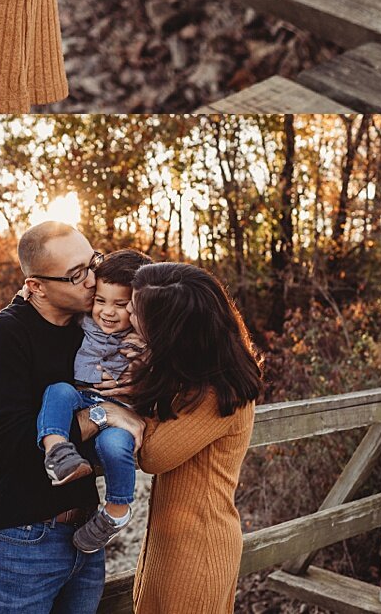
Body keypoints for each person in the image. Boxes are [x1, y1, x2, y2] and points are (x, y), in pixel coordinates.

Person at [80, 263, 262, 614]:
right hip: (171, 543)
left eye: (136, 309)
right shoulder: (192, 378)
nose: (127, 313)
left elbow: (153, 455)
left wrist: (118, 412)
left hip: (199, 551)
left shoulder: (216, 393)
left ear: (168, 330)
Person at [0, 222, 110, 614]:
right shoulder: (3, 335)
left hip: (86, 534)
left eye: (93, 262)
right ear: (36, 286)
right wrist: (103, 415)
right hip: (23, 538)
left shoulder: (90, 329)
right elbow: (12, 446)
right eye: (76, 274)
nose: (93, 280)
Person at [35, 248, 151, 555]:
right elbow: (51, 296)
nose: (108, 312)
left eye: (121, 305)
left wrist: (145, 346)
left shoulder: (147, 340)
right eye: (101, 301)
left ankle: (117, 509)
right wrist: (24, 293)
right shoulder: (83, 320)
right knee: (57, 391)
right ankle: (58, 451)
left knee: (114, 446)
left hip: (123, 410)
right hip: (82, 398)